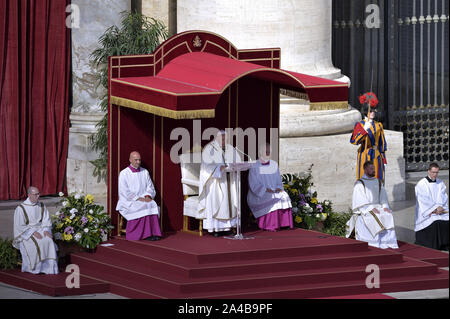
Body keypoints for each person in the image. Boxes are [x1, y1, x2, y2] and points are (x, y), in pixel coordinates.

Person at [346, 161, 398, 249]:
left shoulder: (377, 181)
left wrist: (385, 206)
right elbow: (360, 200)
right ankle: (374, 242)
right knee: (375, 215)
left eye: (374, 169)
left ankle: (387, 242)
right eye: (371, 169)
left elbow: (383, 196)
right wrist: (370, 208)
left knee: (388, 214)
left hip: (378, 207)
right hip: (365, 208)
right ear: (365, 170)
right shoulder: (360, 183)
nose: (374, 170)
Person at [198, 130, 240, 236]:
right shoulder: (209, 149)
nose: (224, 140)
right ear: (216, 138)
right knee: (217, 199)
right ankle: (216, 228)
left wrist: (234, 165)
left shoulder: (231, 148)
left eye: (225, 138)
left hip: (230, 180)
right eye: (222, 138)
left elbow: (238, 161)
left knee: (230, 200)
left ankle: (229, 227)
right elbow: (206, 167)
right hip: (215, 181)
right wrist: (217, 168)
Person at [116, 151, 162, 241]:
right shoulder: (124, 173)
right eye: (135, 160)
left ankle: (153, 233)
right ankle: (139, 234)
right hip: (129, 200)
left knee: (152, 203)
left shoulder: (145, 172)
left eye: (139, 160)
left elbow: (150, 186)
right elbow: (124, 191)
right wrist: (138, 198)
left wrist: (148, 196)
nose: (138, 162)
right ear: (130, 160)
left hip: (144, 198)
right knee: (141, 205)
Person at [247, 143, 293, 231]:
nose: (268, 153)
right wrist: (265, 189)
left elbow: (278, 180)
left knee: (284, 195)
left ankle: (284, 223)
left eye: (269, 151)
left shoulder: (274, 164)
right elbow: (253, 183)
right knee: (270, 197)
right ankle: (271, 225)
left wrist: (279, 188)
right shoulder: (254, 165)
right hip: (260, 193)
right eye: (266, 151)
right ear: (260, 152)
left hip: (274, 190)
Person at [13, 187, 59, 274]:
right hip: (27, 233)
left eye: (38, 194)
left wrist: (46, 230)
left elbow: (46, 219)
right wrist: (32, 232)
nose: (38, 196)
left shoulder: (41, 205)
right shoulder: (21, 208)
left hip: (41, 229)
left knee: (48, 240)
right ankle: (35, 269)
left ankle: (48, 269)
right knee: (37, 242)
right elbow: (19, 226)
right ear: (29, 195)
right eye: (35, 194)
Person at [414, 163, 449, 250]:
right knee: (435, 220)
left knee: (447, 218)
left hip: (439, 210)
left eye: (437, 172)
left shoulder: (440, 183)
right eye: (433, 172)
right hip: (427, 211)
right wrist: (434, 209)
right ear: (428, 171)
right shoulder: (421, 184)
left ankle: (445, 244)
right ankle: (434, 245)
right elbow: (423, 200)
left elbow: (443, 196)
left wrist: (440, 207)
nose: (435, 174)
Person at [350, 107, 387, 183]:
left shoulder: (378, 125)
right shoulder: (360, 124)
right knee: (365, 179)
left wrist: (384, 159)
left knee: (377, 180)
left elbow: (382, 144)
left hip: (377, 156)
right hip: (365, 155)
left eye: (374, 110)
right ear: (366, 111)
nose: (373, 112)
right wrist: (364, 130)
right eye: (371, 111)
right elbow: (354, 141)